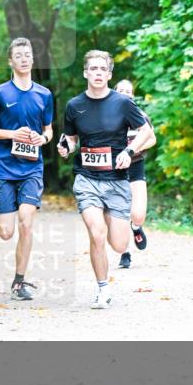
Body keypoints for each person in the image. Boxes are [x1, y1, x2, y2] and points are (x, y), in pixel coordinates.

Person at [57, 50, 154, 309]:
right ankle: (102, 289)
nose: (98, 73)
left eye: (103, 69)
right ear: (86, 73)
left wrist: (129, 151)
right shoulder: (74, 105)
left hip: (117, 180)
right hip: (87, 179)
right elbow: (72, 139)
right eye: (93, 69)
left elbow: (145, 131)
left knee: (118, 243)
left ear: (109, 74)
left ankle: (126, 235)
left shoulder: (122, 103)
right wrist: (65, 147)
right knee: (97, 233)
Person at [0, 38, 55, 301]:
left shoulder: (44, 94)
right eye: (18, 55)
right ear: (11, 61)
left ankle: (19, 282)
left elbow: (49, 130)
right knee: (7, 231)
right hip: (3, 168)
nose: (24, 58)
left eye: (28, 54)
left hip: (32, 168)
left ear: (33, 59)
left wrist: (42, 139)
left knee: (26, 222)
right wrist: (12, 134)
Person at [114, 79, 157, 268]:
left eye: (127, 91)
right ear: (114, 92)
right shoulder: (106, 117)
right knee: (121, 212)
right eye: (120, 90)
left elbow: (152, 139)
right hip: (114, 170)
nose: (124, 93)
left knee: (137, 214)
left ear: (132, 95)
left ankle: (136, 227)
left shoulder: (141, 116)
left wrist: (132, 149)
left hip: (136, 165)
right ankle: (126, 253)